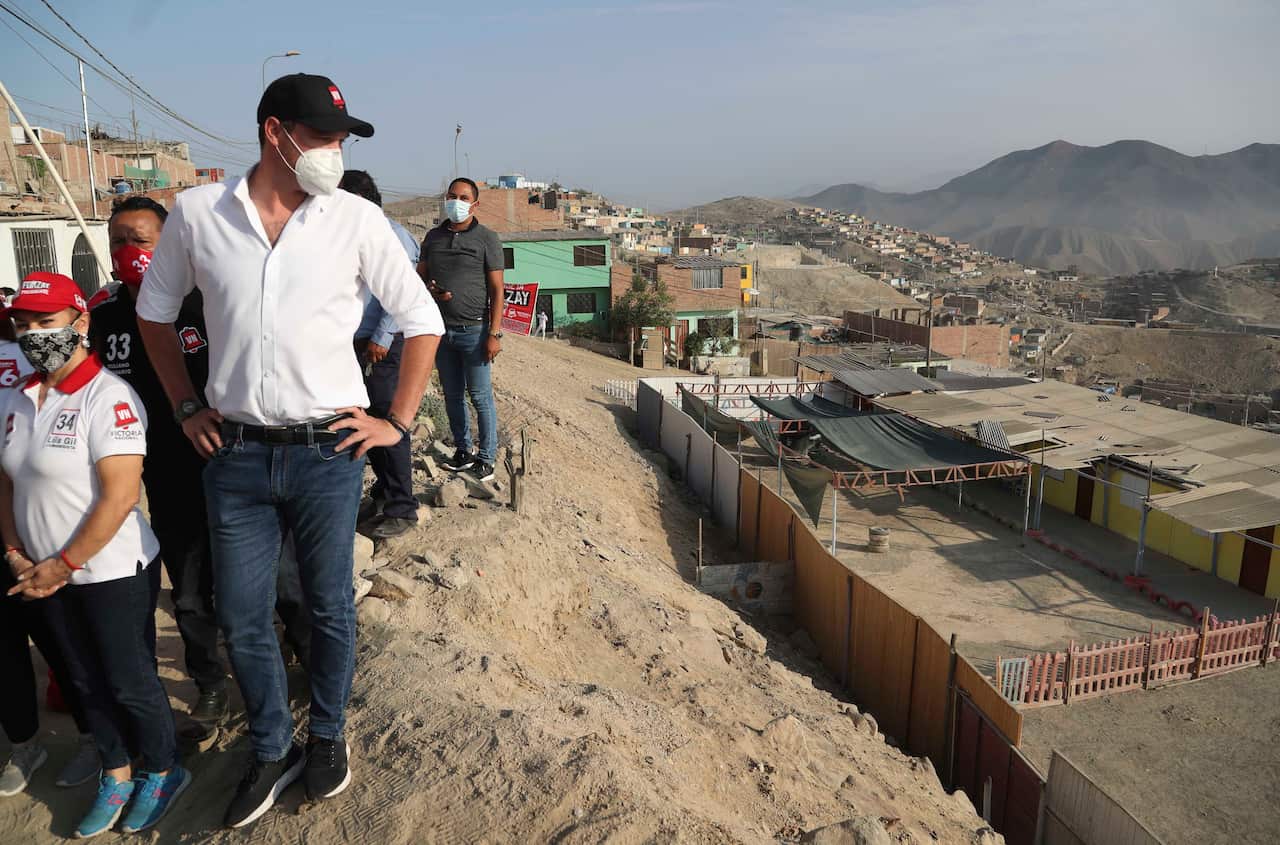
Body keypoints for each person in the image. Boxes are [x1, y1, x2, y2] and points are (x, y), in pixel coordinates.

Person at [135, 73, 443, 829]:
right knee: (243, 615)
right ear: (275, 133)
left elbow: (421, 318)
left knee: (329, 605)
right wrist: (184, 405)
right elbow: (154, 313)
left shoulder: (356, 220)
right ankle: (272, 747)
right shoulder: (199, 214)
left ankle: (328, 736)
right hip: (235, 454)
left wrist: (397, 421)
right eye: (323, 137)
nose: (334, 152)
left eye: (341, 140)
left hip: (327, 452)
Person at [90, 196, 312, 739]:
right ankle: (210, 682)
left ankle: (308, 656)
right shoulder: (107, 317)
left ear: (170, 243)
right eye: (118, 241)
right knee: (189, 591)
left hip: (236, 464)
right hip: (165, 476)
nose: (128, 250)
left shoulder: (208, 301)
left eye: (140, 240)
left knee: (280, 577)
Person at [2, 272, 189, 836]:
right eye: (23, 324)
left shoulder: (109, 397)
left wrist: (62, 565)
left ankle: (162, 769)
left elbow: (120, 495)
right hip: (39, 573)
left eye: (47, 322)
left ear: (80, 321)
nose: (34, 335)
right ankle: (116, 770)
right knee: (82, 681)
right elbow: (6, 484)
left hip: (107, 571)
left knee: (128, 680)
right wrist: (15, 554)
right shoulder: (14, 398)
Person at [0, 313, 102, 797]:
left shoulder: (26, 350)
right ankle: (24, 743)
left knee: (62, 641)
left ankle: (94, 737)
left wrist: (16, 546)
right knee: (5, 650)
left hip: (31, 524)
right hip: (12, 532)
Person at [340, 169, 421, 539]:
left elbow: (402, 292)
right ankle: (385, 493)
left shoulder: (393, 236)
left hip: (381, 343)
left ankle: (403, 507)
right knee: (364, 418)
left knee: (388, 421)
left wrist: (382, 337)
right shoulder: (349, 234)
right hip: (356, 342)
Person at [416, 177, 504, 481]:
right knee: (452, 396)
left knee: (480, 397)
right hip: (442, 331)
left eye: (464, 198)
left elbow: (497, 289)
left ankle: (487, 458)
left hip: (475, 331)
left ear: (475, 204)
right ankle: (463, 451)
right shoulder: (433, 237)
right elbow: (419, 280)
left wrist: (494, 333)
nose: (456, 202)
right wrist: (432, 291)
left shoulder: (487, 239)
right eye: (452, 196)